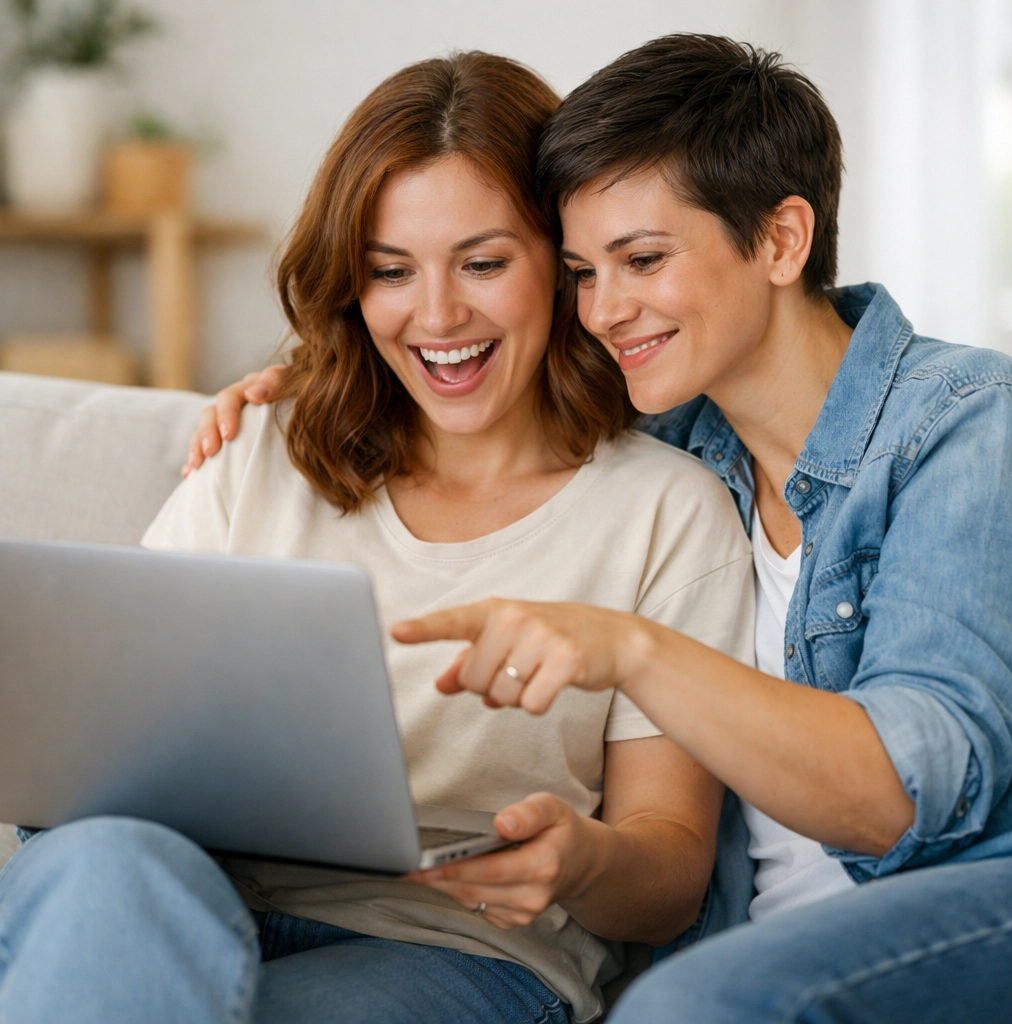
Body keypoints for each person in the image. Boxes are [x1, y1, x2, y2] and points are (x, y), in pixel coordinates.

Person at [204, 34, 1012, 1024]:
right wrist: (323, 373)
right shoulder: (676, 436)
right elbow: (477, 371)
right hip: (742, 942)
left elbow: (904, 790)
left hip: (963, 898)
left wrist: (632, 650)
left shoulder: (963, 419)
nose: (602, 310)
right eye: (582, 273)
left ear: (780, 240)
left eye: (641, 260)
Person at [0, 52, 755, 1024]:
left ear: (563, 262)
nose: (436, 315)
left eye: (483, 263)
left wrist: (583, 857)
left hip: (446, 945)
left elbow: (670, 871)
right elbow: (107, 724)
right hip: (178, 896)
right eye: (389, 271)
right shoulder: (260, 454)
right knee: (102, 870)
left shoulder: (665, 510)